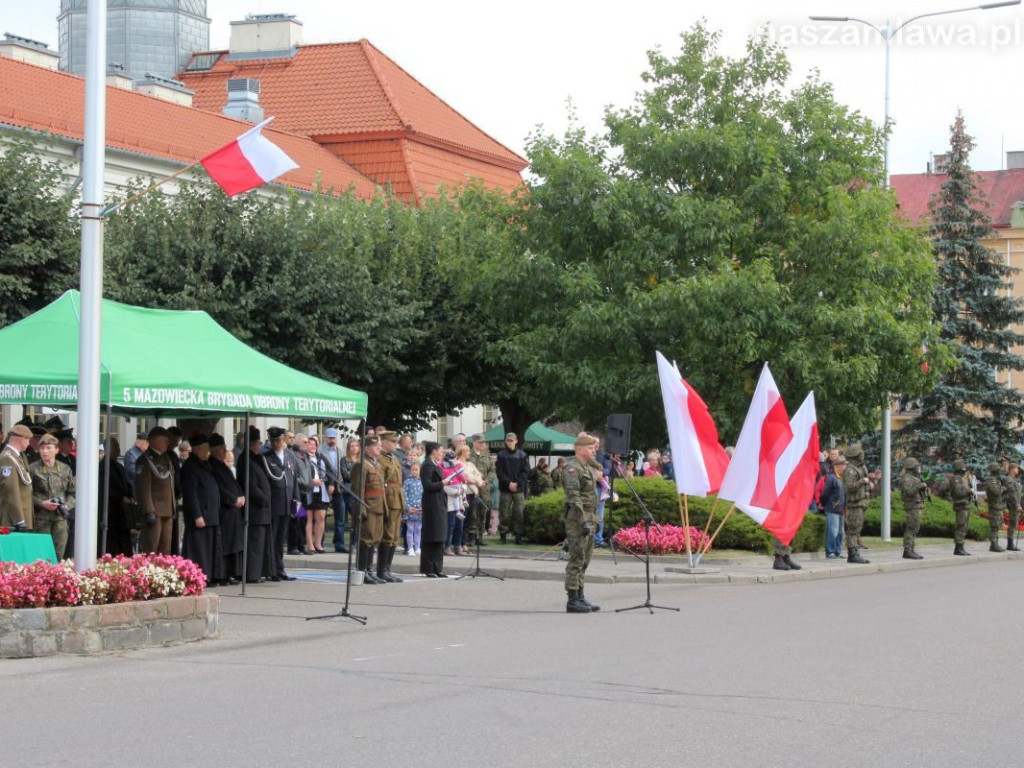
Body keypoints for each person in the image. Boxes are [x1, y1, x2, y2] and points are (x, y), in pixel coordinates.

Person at [562, 434, 601, 613]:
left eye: (594, 448)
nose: (593, 451)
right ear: (579, 449)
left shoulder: (587, 467)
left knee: (585, 560)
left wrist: (595, 519)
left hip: (590, 517)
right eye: (590, 448)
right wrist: (583, 520)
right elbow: (573, 497)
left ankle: (580, 596)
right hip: (578, 519)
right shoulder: (572, 468)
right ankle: (572, 600)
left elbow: (593, 495)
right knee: (576, 559)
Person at [180, 433, 221, 584]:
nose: (208, 451)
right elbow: (190, 493)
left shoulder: (204, 464)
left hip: (210, 514)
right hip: (201, 515)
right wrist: (197, 514)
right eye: (205, 448)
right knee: (199, 549)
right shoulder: (190, 466)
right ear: (197, 449)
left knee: (208, 549)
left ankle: (208, 575)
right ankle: (198, 577)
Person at [237, 428, 274, 583]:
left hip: (262, 510)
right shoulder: (245, 460)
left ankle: (259, 572)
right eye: (258, 443)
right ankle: (252, 574)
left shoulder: (256, 458)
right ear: (254, 444)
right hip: (254, 509)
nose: (260, 446)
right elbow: (250, 486)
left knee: (261, 544)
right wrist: (264, 499)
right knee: (254, 544)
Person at [261, 426, 299, 581]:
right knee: (273, 539)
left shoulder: (290, 456)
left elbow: (294, 480)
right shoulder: (266, 457)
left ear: (284, 440)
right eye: (273, 441)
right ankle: (271, 570)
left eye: (279, 440)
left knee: (281, 539)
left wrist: (297, 502)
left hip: (287, 504)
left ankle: (280, 568)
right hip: (274, 504)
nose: (276, 443)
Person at [29, 434, 75, 558]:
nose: (45, 451)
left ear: (56, 450)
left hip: (60, 519)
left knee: (59, 554)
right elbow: (26, 494)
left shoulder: (65, 469)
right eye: (42, 448)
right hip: (40, 519)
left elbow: (73, 493)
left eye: (48, 448)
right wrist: (41, 503)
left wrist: (66, 506)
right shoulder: (32, 469)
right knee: (40, 555)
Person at [351, 434, 387, 584]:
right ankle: (362, 571)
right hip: (368, 507)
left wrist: (385, 508)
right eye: (376, 446)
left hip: (378, 507)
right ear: (366, 448)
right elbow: (358, 489)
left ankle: (369, 569)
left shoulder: (376, 464)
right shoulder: (361, 465)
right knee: (366, 539)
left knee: (374, 540)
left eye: (379, 446)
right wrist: (361, 510)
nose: (379, 448)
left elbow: (381, 489)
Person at [136, 426, 177, 555]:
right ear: (155, 441)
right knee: (152, 548)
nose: (167, 443)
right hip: (155, 510)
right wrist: (149, 510)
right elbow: (144, 487)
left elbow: (170, 484)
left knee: (166, 549)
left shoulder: (166, 458)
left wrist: (173, 507)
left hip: (167, 509)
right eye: (165, 440)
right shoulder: (145, 460)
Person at [209, 433, 243, 584]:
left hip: (233, 510)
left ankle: (232, 572)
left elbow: (234, 483)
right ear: (215, 450)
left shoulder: (223, 465)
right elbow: (220, 488)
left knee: (233, 543)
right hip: (225, 509)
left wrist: (241, 495)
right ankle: (224, 574)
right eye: (222, 448)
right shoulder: (212, 466)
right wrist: (233, 499)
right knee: (226, 544)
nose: (224, 451)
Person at [419, 441, 452, 577]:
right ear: (433, 451)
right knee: (432, 535)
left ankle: (438, 567)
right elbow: (427, 485)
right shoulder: (427, 465)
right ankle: (429, 568)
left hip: (439, 502)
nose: (442, 454)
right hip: (432, 503)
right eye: (440, 451)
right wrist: (442, 483)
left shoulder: (435, 464)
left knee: (439, 535)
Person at [377, 431, 406, 582]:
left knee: (394, 537)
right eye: (393, 442)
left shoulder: (393, 458)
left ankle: (387, 569)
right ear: (384, 442)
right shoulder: (380, 459)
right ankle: (381, 570)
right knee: (387, 536)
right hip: (388, 500)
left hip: (397, 499)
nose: (396, 444)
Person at [98, 437, 135, 557]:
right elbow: (105, 488)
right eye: (116, 447)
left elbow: (127, 483)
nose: (118, 450)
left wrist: (131, 496)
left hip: (122, 511)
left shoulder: (119, 466)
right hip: (110, 510)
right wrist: (120, 498)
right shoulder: (102, 467)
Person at [496, 432, 530, 544]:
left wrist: (517, 483)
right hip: (505, 489)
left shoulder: (522, 455)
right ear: (505, 442)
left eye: (512, 440)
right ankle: (503, 536)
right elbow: (499, 472)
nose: (510, 442)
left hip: (518, 490)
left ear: (516, 441)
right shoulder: (501, 455)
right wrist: (509, 483)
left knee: (519, 513)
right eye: (508, 440)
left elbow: (526, 471)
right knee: (504, 513)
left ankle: (518, 537)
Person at [318, 428, 348, 553]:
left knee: (340, 517)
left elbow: (342, 469)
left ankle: (339, 543)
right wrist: (328, 482)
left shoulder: (341, 451)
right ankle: (319, 542)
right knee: (321, 516)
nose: (332, 440)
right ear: (325, 438)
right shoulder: (320, 451)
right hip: (325, 486)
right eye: (330, 438)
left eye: (333, 438)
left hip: (339, 487)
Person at [842, 443, 872, 564]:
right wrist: (862, 481)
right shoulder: (850, 470)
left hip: (859, 503)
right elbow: (849, 487)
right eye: (859, 454)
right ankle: (852, 554)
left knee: (856, 529)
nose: (862, 456)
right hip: (854, 504)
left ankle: (855, 552)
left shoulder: (857, 469)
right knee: (853, 529)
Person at [0, 424, 34, 531]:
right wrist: (19, 520)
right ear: (22, 440)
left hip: (21, 514)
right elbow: (11, 491)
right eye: (28, 440)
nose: (29, 443)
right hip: (13, 518)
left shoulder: (16, 457)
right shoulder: (8, 458)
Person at [938, 459, 974, 556]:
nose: (964, 469)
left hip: (965, 504)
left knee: (964, 526)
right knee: (961, 526)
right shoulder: (956, 479)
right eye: (963, 467)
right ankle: (958, 547)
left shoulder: (962, 479)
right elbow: (959, 492)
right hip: (960, 505)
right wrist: (969, 491)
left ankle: (961, 546)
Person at [465, 434, 496, 547]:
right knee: (472, 512)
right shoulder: (469, 455)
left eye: (483, 442)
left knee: (483, 512)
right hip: (472, 488)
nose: (482, 444)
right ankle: (471, 536)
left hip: (484, 488)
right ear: (474, 443)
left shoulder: (486, 455)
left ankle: (480, 536)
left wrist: (487, 480)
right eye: (480, 442)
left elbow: (492, 470)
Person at [456, 444, 486, 554]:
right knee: (462, 519)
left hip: (473, 494)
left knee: (470, 519)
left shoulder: (470, 464)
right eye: (468, 451)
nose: (469, 453)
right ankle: (459, 543)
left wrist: (479, 481)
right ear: (463, 452)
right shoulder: (457, 464)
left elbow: (478, 474)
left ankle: (464, 542)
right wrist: (478, 482)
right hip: (464, 495)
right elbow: (465, 477)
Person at [899, 458, 928, 560]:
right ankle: (907, 550)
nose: (918, 468)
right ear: (911, 467)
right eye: (916, 466)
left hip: (916, 505)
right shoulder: (907, 479)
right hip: (912, 506)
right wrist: (919, 486)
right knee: (911, 529)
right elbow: (909, 492)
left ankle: (911, 549)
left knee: (915, 528)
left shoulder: (914, 478)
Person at [288, 433, 313, 555]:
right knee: (295, 520)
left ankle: (301, 545)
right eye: (305, 442)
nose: (308, 445)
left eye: (308, 442)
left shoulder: (305, 456)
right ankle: (293, 546)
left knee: (303, 520)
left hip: (305, 493)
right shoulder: (291, 455)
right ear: (297, 443)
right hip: (296, 493)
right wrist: (302, 482)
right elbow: (290, 474)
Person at [305, 435, 330, 553]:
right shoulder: (302, 458)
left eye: (314, 444)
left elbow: (330, 472)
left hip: (321, 491)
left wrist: (328, 483)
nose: (312, 446)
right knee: (308, 519)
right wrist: (312, 481)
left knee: (321, 517)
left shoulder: (321, 458)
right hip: (307, 492)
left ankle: (318, 543)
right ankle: (309, 544)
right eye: (310, 444)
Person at [819, 453, 847, 558]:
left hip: (840, 509)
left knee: (840, 532)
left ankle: (837, 551)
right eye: (844, 465)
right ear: (838, 466)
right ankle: (830, 551)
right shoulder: (831, 478)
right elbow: (824, 493)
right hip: (832, 508)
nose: (845, 467)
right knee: (833, 531)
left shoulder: (840, 478)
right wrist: (822, 503)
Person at [984, 461, 1006, 553]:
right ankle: (993, 544)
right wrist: (1004, 488)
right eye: (998, 469)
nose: (999, 471)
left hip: (998, 505)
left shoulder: (996, 480)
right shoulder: (992, 481)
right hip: (994, 506)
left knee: (997, 525)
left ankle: (995, 543)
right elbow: (996, 492)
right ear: (995, 470)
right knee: (994, 526)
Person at [403, 461, 424, 556]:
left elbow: (424, 495)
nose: (414, 471)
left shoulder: (422, 481)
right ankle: (410, 548)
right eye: (412, 470)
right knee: (410, 528)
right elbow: (404, 495)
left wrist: (423, 507)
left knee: (418, 529)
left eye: (416, 469)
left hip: (419, 509)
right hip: (410, 509)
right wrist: (408, 507)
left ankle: (417, 547)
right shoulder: (407, 481)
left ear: (420, 470)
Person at [1006, 462, 1022, 551]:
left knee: (1014, 523)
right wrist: (1017, 505)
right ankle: (1010, 544)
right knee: (1012, 523)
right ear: (1012, 469)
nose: (1018, 470)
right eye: (1016, 468)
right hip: (1013, 505)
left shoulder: (1015, 479)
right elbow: (1012, 494)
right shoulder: (1010, 479)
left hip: (1016, 504)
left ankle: (1011, 543)